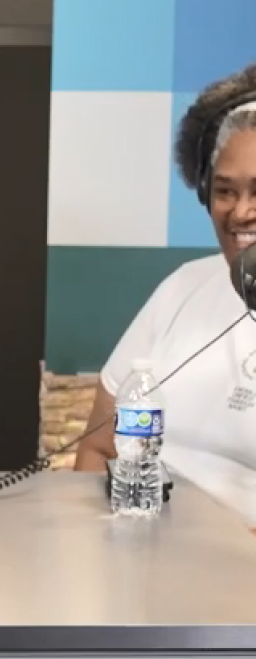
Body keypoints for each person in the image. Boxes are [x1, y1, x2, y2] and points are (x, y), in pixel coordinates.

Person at [74, 63, 256, 518]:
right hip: (142, 562)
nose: (240, 213)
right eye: (225, 191)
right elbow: (97, 449)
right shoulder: (182, 288)